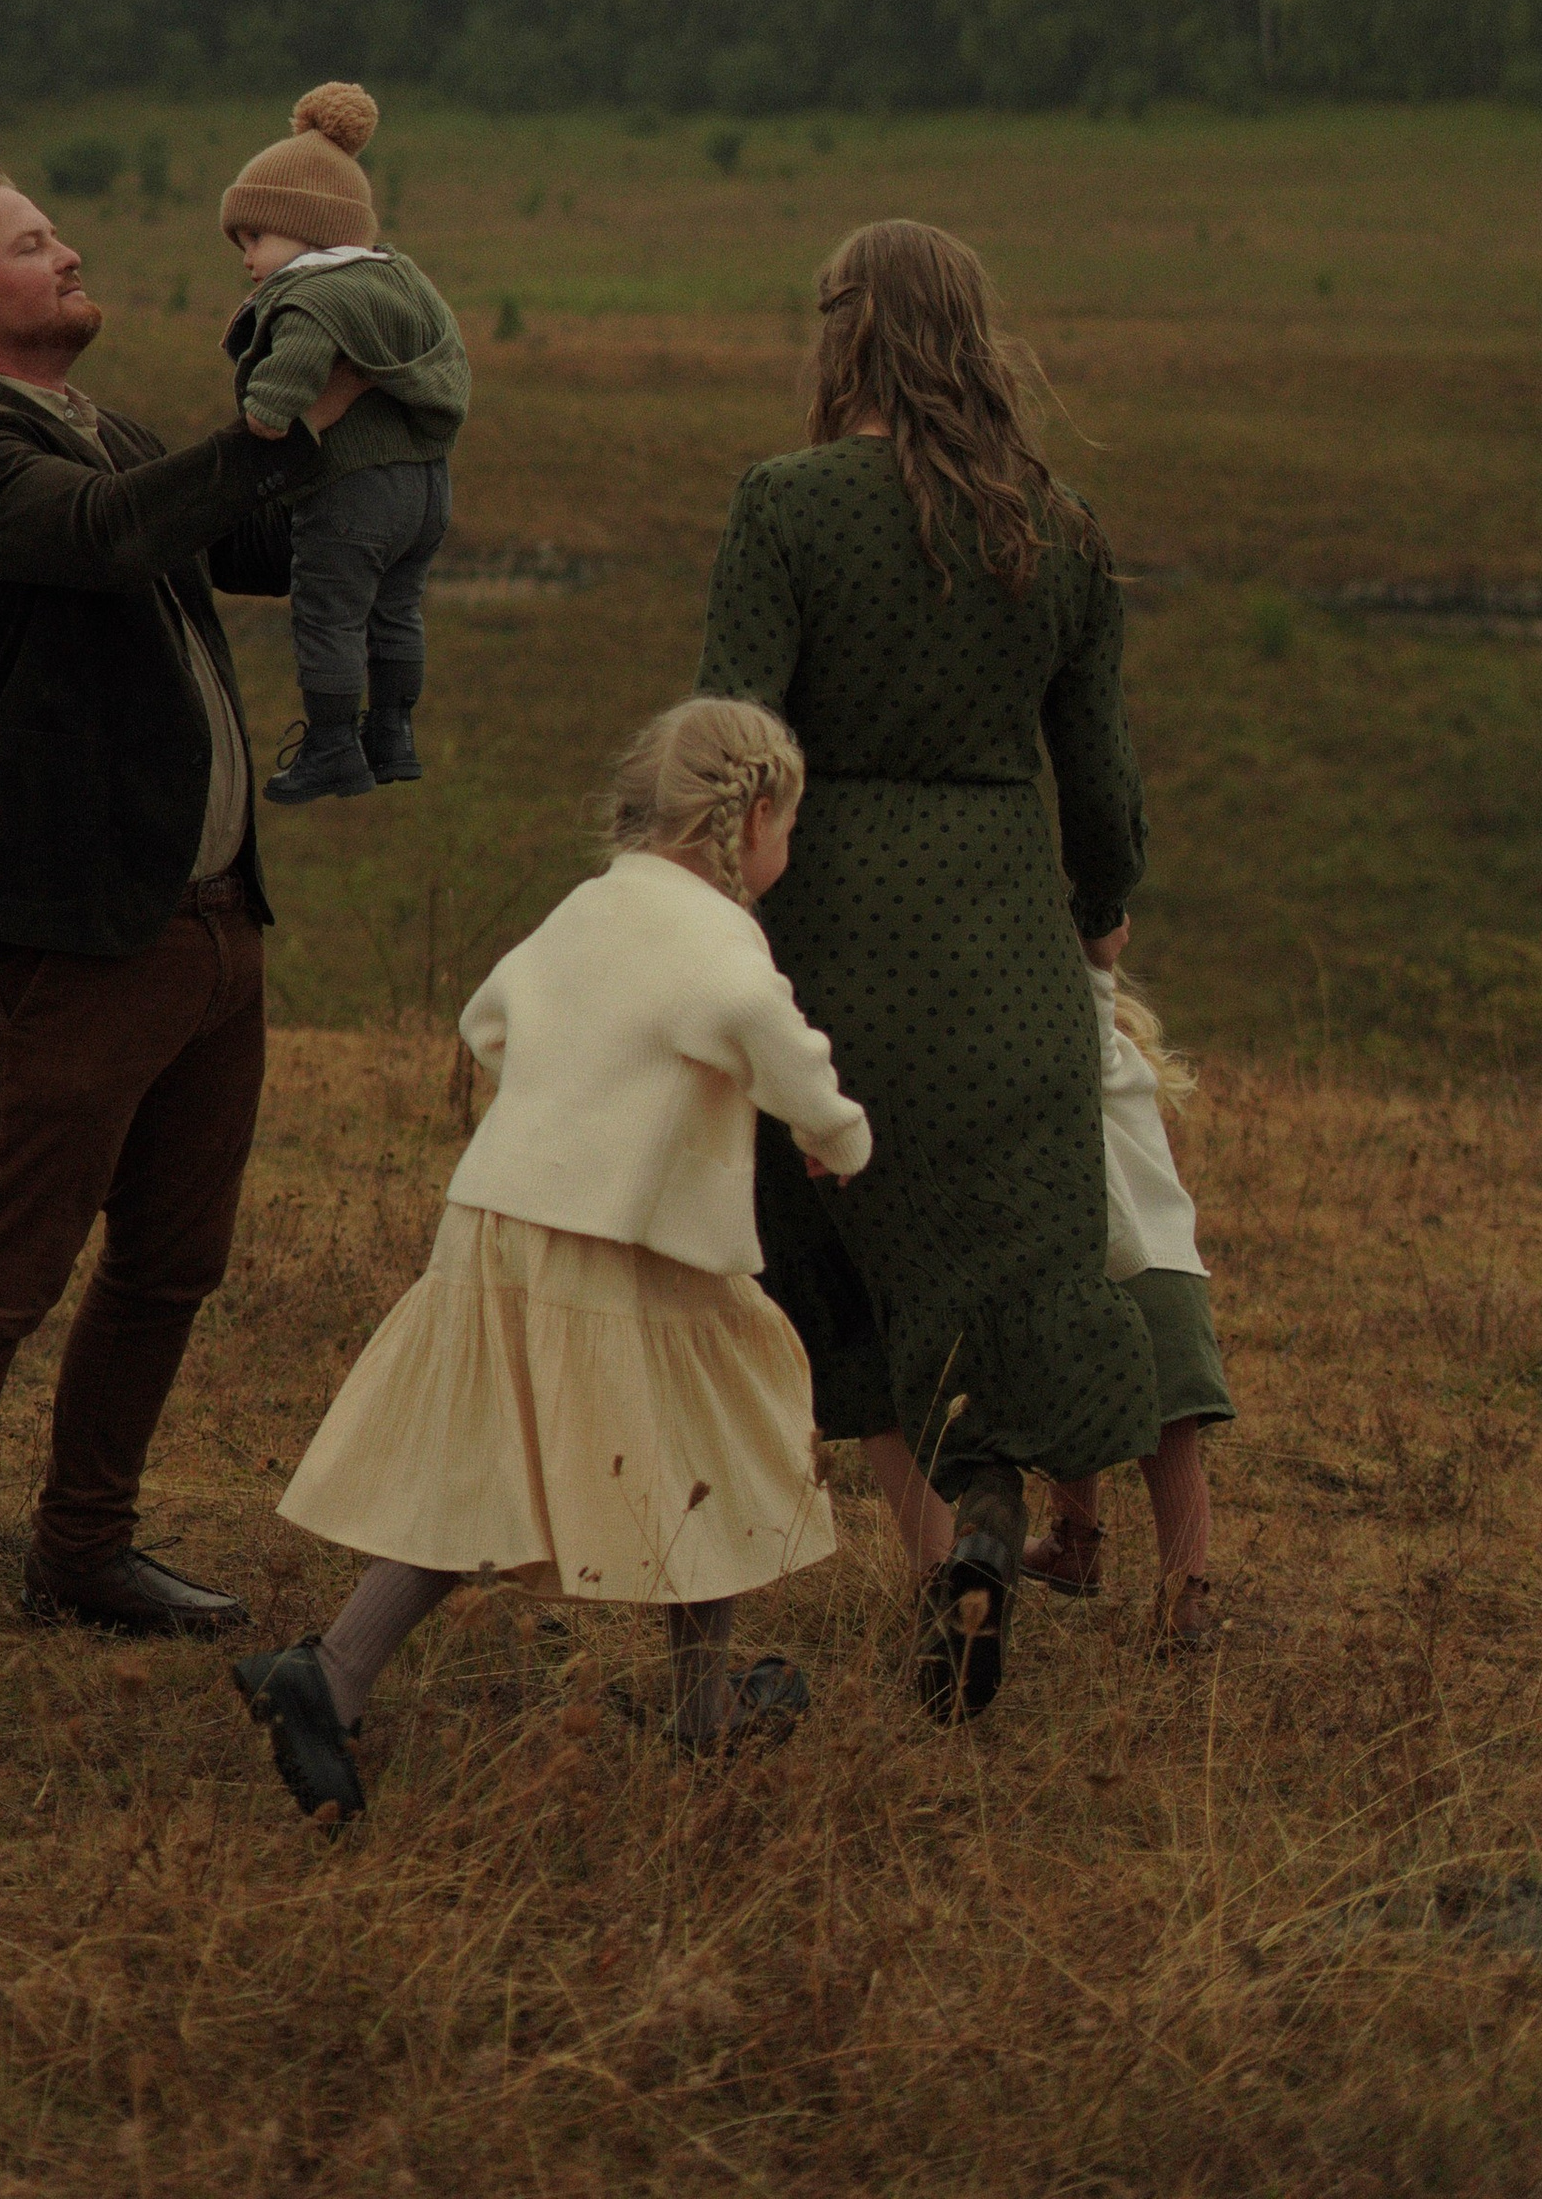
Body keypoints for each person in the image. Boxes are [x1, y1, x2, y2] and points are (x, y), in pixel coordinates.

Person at [0, 154, 366, 1674]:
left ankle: (82, 1549)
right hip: (79, 934)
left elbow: (248, 545)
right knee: (9, 1268)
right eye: (31, 244)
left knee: (170, 1263)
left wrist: (360, 408)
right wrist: (281, 422)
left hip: (207, 924)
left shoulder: (101, 428)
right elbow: (109, 536)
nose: (68, 252)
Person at [231, 697, 870, 1826]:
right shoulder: (719, 938)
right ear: (753, 817)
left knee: (494, 1459)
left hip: (501, 1217)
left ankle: (333, 1673)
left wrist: (566, 1097)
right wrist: (839, 1137)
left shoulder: (590, 904)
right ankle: (696, 1703)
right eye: (791, 825)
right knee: (717, 1439)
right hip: (618, 1243)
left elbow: (488, 1021)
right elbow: (762, 1031)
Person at [696, 216, 1161, 1724]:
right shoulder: (1058, 527)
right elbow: (1101, 785)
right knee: (999, 1272)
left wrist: (703, 918)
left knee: (844, 1266)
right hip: (1007, 949)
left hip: (824, 946)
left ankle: (936, 1563)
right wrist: (1098, 918)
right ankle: (986, 1527)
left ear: (842, 331)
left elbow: (731, 738)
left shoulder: (785, 505)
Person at [217, 83, 471, 804]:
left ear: (308, 227)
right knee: (398, 610)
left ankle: (332, 747)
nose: (246, 257)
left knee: (327, 615)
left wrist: (266, 415)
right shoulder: (401, 279)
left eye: (254, 238)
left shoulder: (313, 296)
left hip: (353, 494)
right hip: (427, 490)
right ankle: (392, 735)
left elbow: (283, 392)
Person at [1024, 965, 1233, 1652]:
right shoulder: (1093, 1061)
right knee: (1104, 1426)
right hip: (1160, 1273)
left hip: (1141, 1267)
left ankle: (1147, 1581)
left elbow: (1089, 987)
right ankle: (1150, 1585)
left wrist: (1094, 947)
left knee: (1141, 1442)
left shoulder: (1096, 1049)